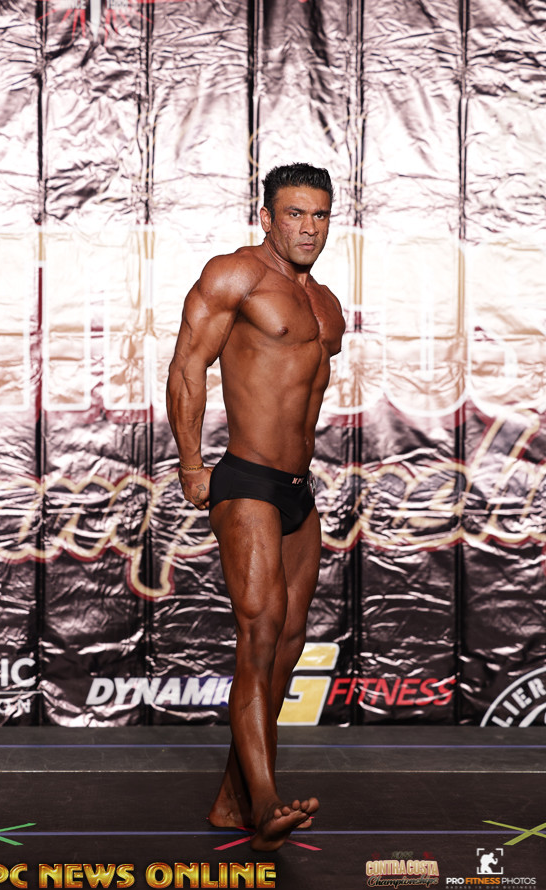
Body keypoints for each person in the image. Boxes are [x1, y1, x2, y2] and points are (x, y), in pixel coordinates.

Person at [166, 163, 345, 851]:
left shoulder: (324, 304)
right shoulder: (234, 275)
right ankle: (265, 804)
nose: (308, 228)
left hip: (298, 489)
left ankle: (230, 798)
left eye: (320, 215)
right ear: (267, 217)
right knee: (260, 633)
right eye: (295, 213)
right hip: (245, 480)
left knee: (289, 643)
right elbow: (188, 365)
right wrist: (192, 464)